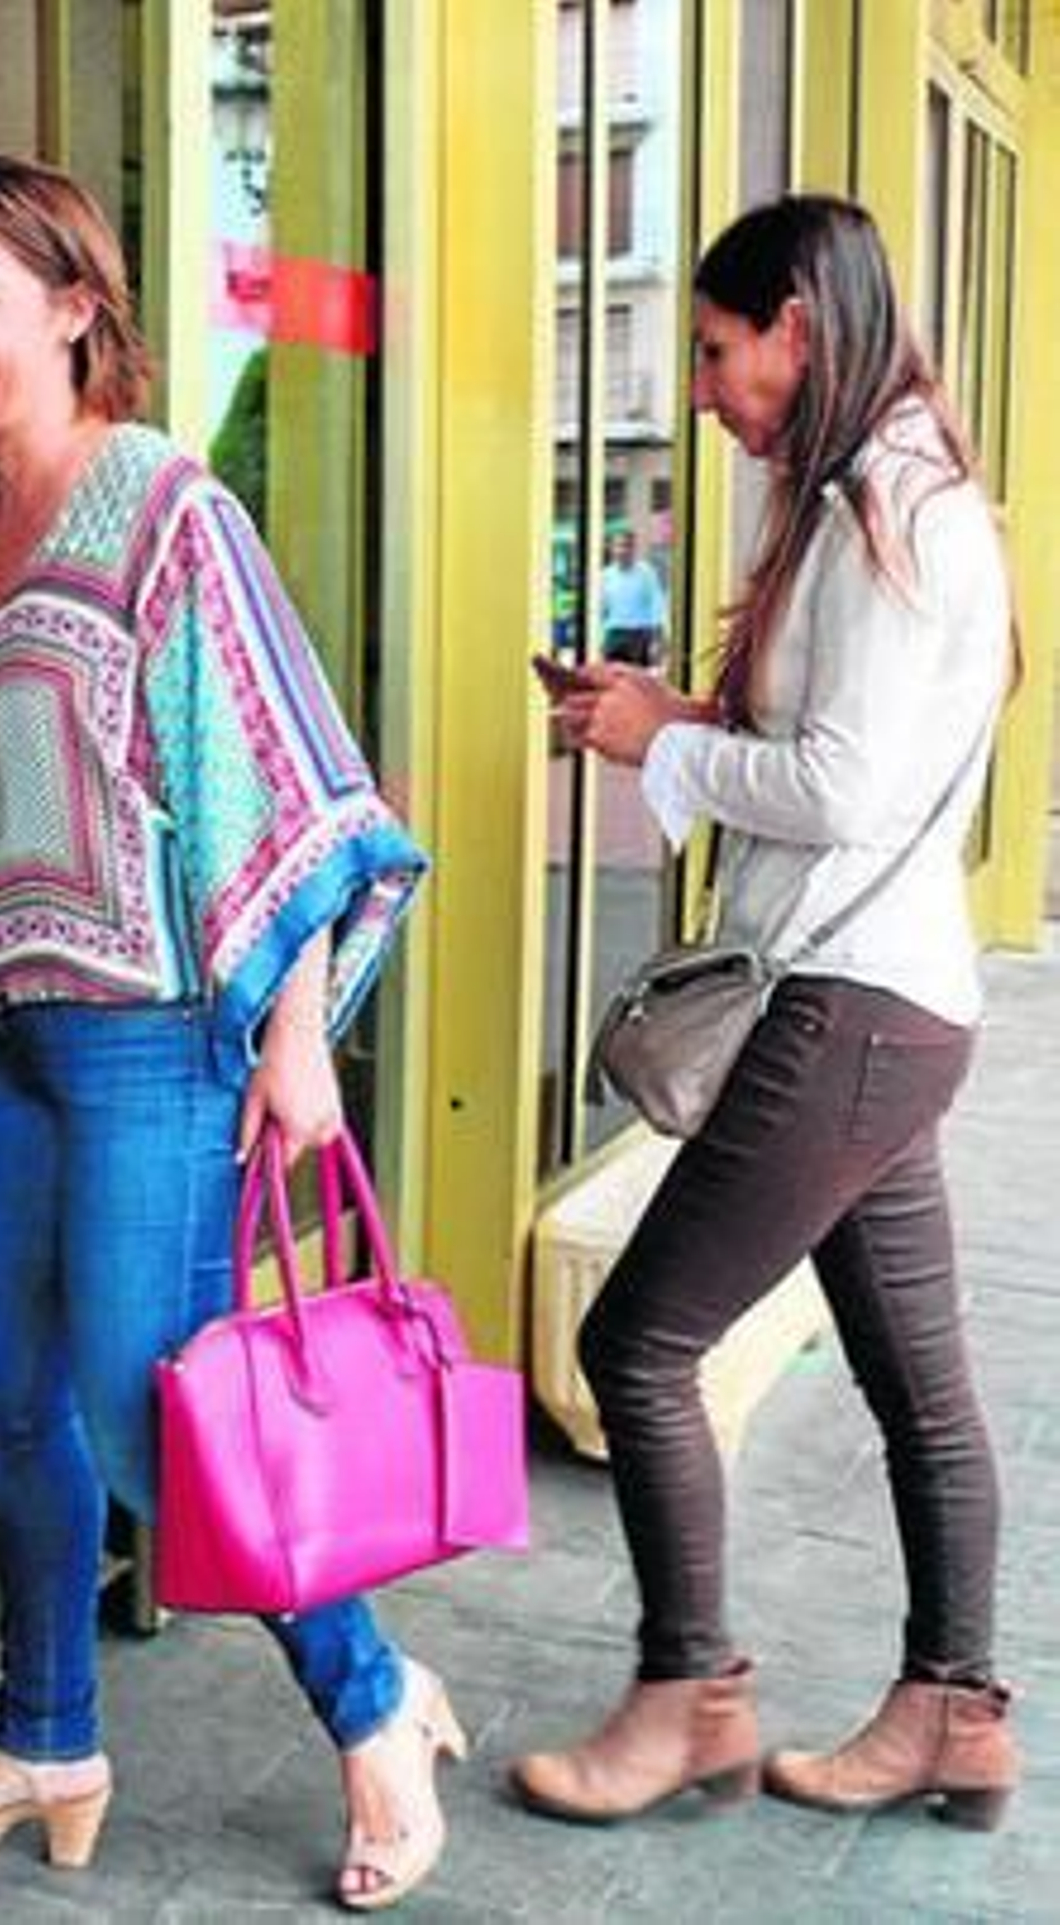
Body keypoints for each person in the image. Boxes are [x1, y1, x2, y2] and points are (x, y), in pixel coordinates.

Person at [0, 152, 460, 1911]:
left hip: (157, 1043)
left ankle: (373, 1703)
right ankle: (48, 1733)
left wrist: (294, 1035)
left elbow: (293, 776)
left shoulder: (164, 509)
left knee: (150, 1417)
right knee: (4, 1394)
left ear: (73, 309)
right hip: (22, 1046)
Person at [519, 194, 1020, 1828]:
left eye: (723, 353)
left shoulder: (895, 508)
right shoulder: (881, 499)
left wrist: (662, 736)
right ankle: (954, 1714)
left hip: (849, 1005)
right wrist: (664, 716)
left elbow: (843, 784)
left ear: (797, 330)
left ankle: (689, 1701)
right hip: (891, 1003)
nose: (715, 391)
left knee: (639, 1342)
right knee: (921, 1385)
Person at [599, 528, 668, 666]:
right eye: (618, 546)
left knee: (637, 682)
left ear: (633, 549)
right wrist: (601, 640)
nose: (622, 550)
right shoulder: (605, 575)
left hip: (639, 636)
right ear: (612, 549)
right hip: (614, 635)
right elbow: (602, 611)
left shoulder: (647, 573)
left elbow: (657, 607)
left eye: (627, 546)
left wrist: (658, 641)